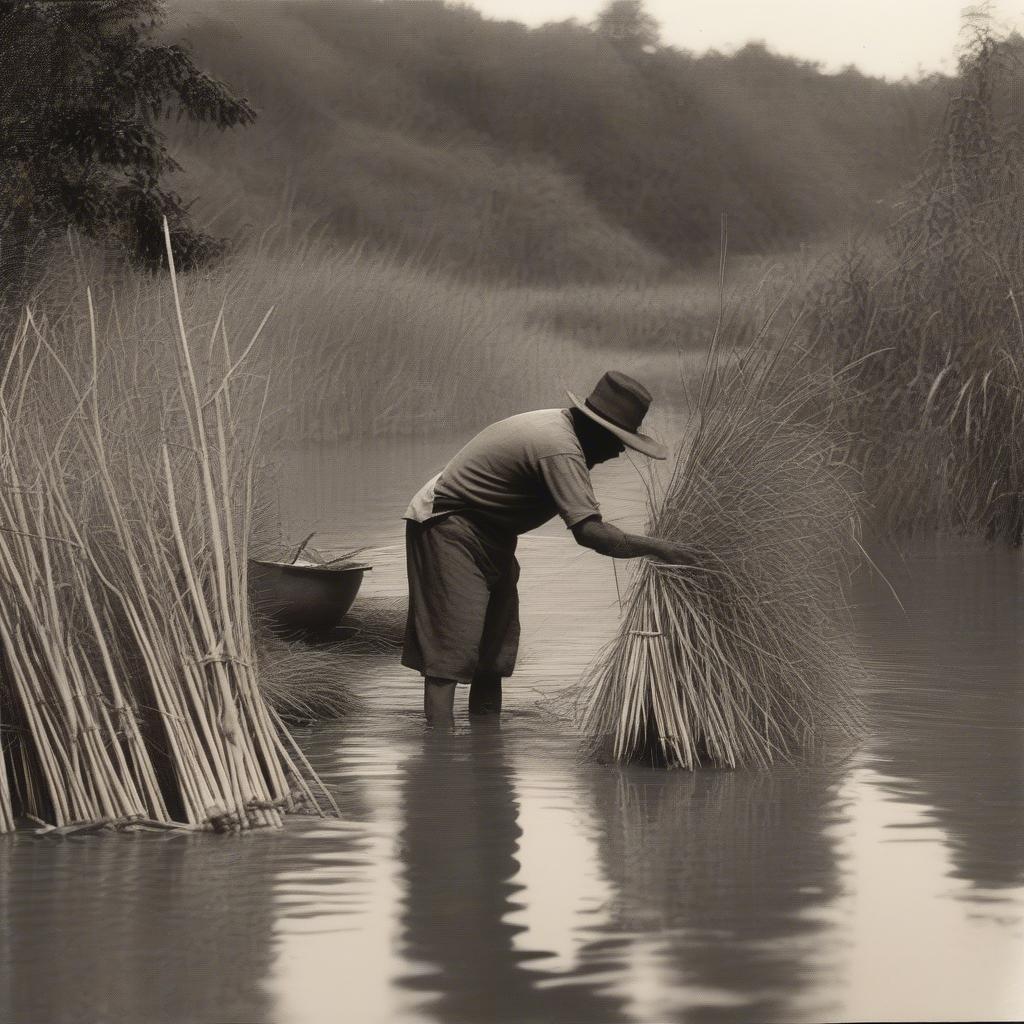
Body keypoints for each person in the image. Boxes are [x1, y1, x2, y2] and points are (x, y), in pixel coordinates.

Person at [402, 370, 695, 729]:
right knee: (451, 652)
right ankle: (440, 757)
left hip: (493, 531)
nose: (619, 451)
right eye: (618, 440)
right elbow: (591, 533)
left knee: (493, 654)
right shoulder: (559, 446)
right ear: (595, 428)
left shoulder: (567, 438)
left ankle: (486, 747)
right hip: (447, 523)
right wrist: (662, 549)